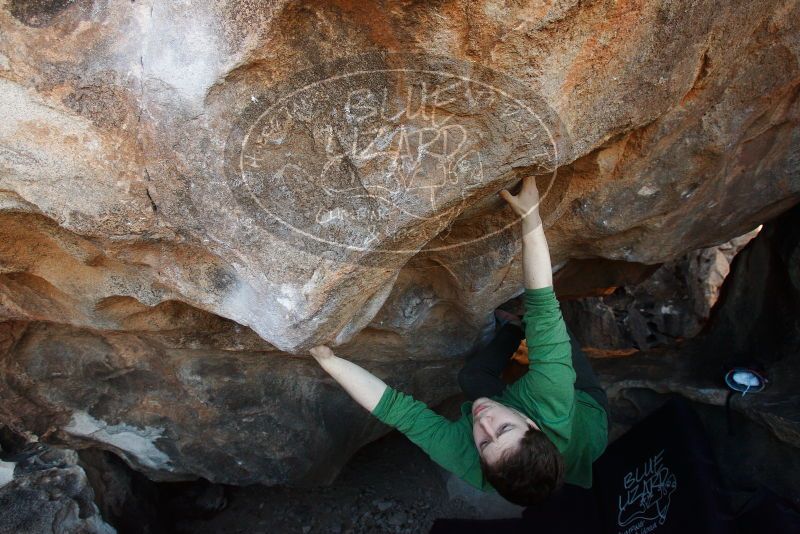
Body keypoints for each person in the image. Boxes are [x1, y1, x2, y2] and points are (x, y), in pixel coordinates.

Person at [309, 176, 609, 506]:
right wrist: (530, 215)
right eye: (504, 430)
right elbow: (542, 301)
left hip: (548, 447)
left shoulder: (471, 462)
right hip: (585, 413)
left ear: (480, 462)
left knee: (471, 379)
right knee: (553, 335)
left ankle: (510, 329)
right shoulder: (552, 396)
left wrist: (329, 361)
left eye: (483, 443)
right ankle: (518, 326)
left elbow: (398, 412)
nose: (483, 422)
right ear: (529, 423)